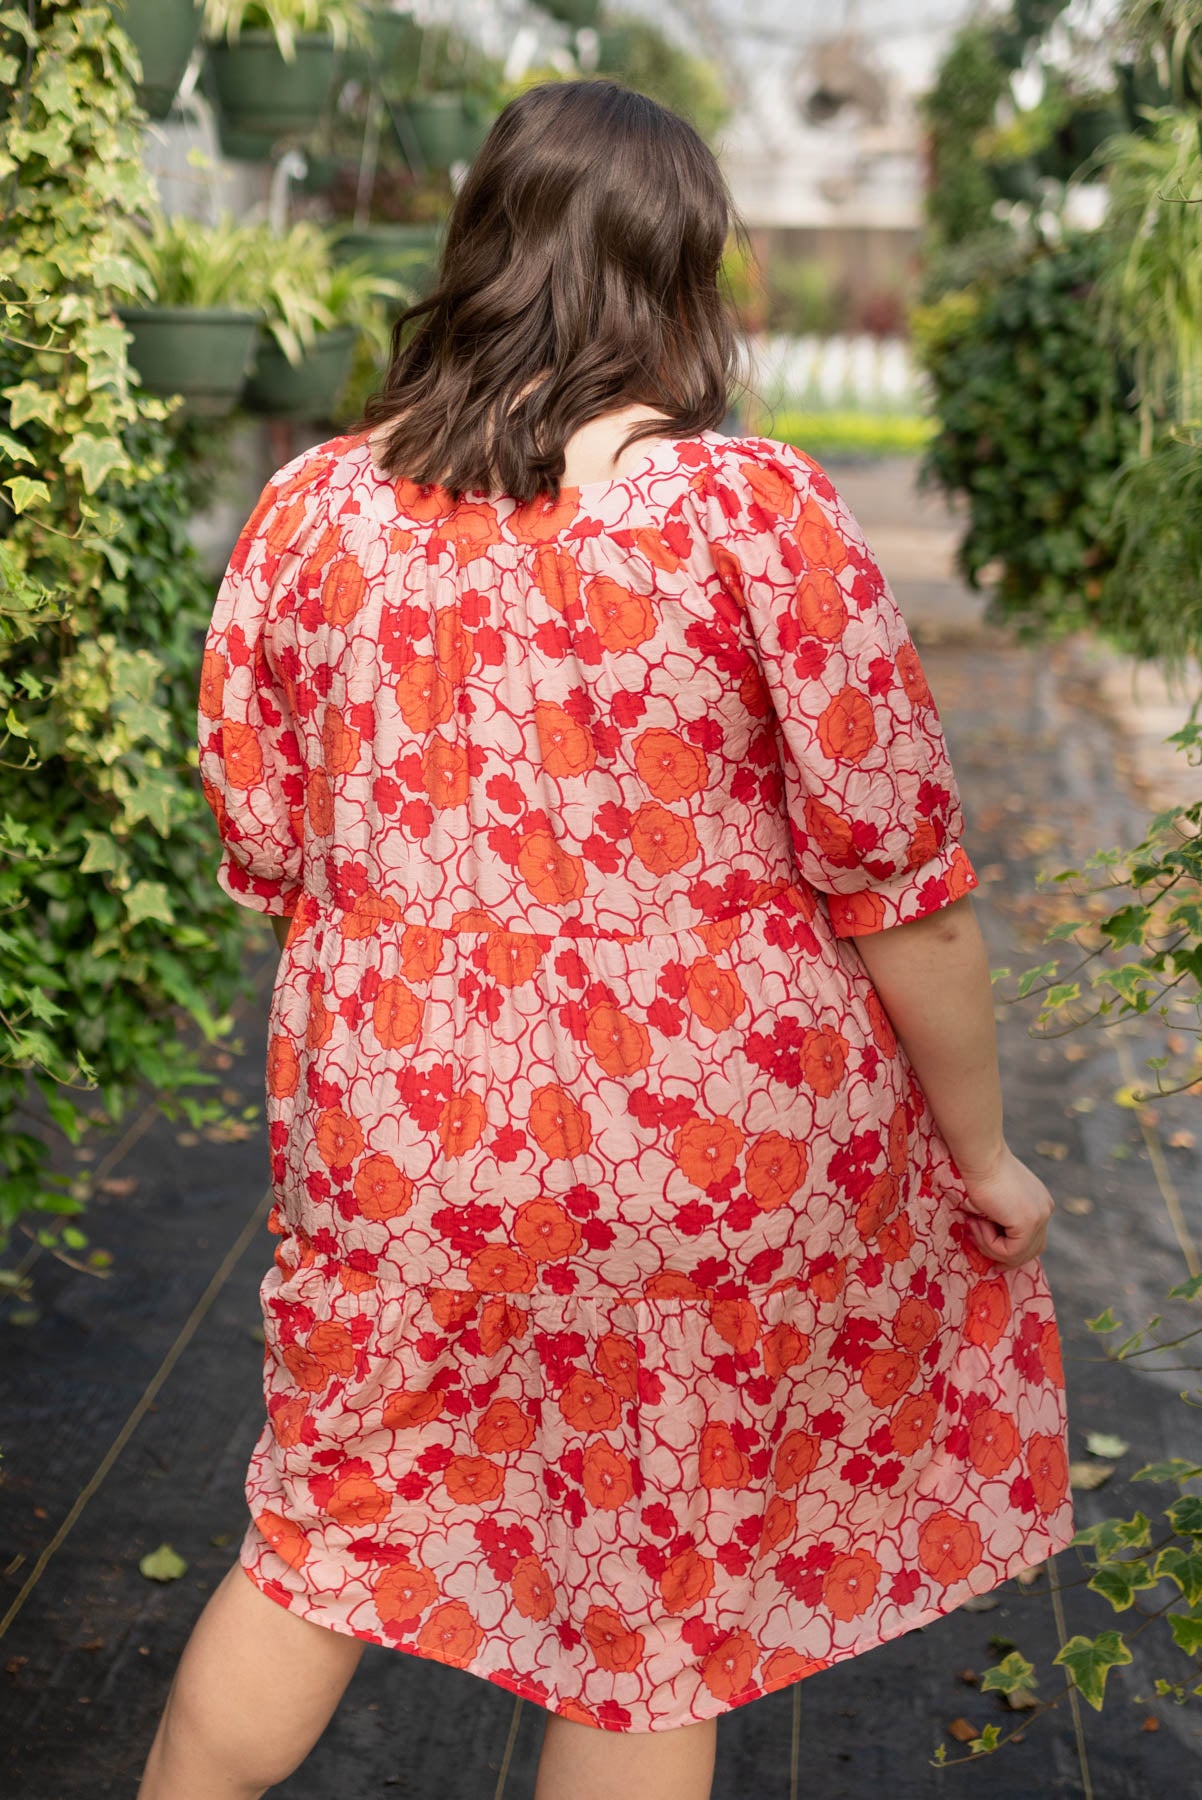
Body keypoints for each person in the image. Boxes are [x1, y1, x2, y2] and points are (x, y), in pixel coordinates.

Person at [141, 78, 1072, 1800]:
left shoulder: (311, 515)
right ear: (682, 280)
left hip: (397, 1137)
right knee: (651, 1610)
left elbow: (263, 843)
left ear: (478, 250)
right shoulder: (752, 518)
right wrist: (983, 1152)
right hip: (698, 1158)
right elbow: (901, 880)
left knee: (319, 1548)